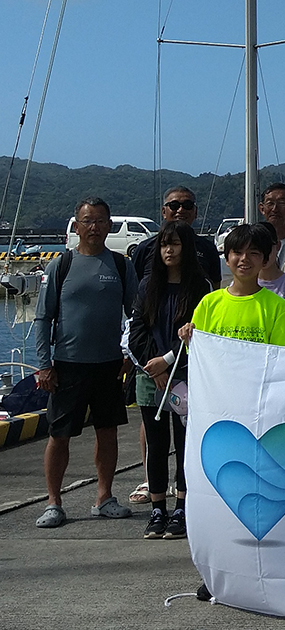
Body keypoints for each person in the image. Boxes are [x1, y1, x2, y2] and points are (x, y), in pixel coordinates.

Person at [178, 222, 285, 602]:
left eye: (253, 253)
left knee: (259, 500)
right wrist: (188, 338)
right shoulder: (210, 304)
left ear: (265, 260)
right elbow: (201, 358)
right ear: (226, 258)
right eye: (237, 253)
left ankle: (261, 573)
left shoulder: (275, 306)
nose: (244, 259)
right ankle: (218, 573)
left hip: (260, 420)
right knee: (216, 498)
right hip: (217, 420)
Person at [33, 197, 139, 529]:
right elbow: (43, 318)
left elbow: (135, 316)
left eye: (100, 221)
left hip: (110, 364)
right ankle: (53, 502)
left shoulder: (121, 265)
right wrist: (44, 364)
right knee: (59, 435)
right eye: (87, 221)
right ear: (76, 226)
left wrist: (130, 354)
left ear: (109, 225)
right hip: (68, 364)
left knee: (107, 432)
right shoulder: (61, 265)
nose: (94, 227)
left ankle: (104, 497)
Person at [128, 221, 212, 539]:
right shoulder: (148, 285)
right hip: (151, 376)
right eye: (164, 244)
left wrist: (168, 360)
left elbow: (200, 333)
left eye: (175, 244)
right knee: (156, 443)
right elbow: (137, 331)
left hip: (187, 376)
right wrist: (156, 367)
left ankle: (181, 508)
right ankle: (157, 508)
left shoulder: (200, 287)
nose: (169, 250)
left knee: (185, 443)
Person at [131, 186, 222, 285]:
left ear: (195, 212)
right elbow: (133, 286)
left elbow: (215, 286)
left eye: (187, 205)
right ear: (164, 212)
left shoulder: (208, 248)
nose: (181, 210)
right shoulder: (145, 248)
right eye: (174, 205)